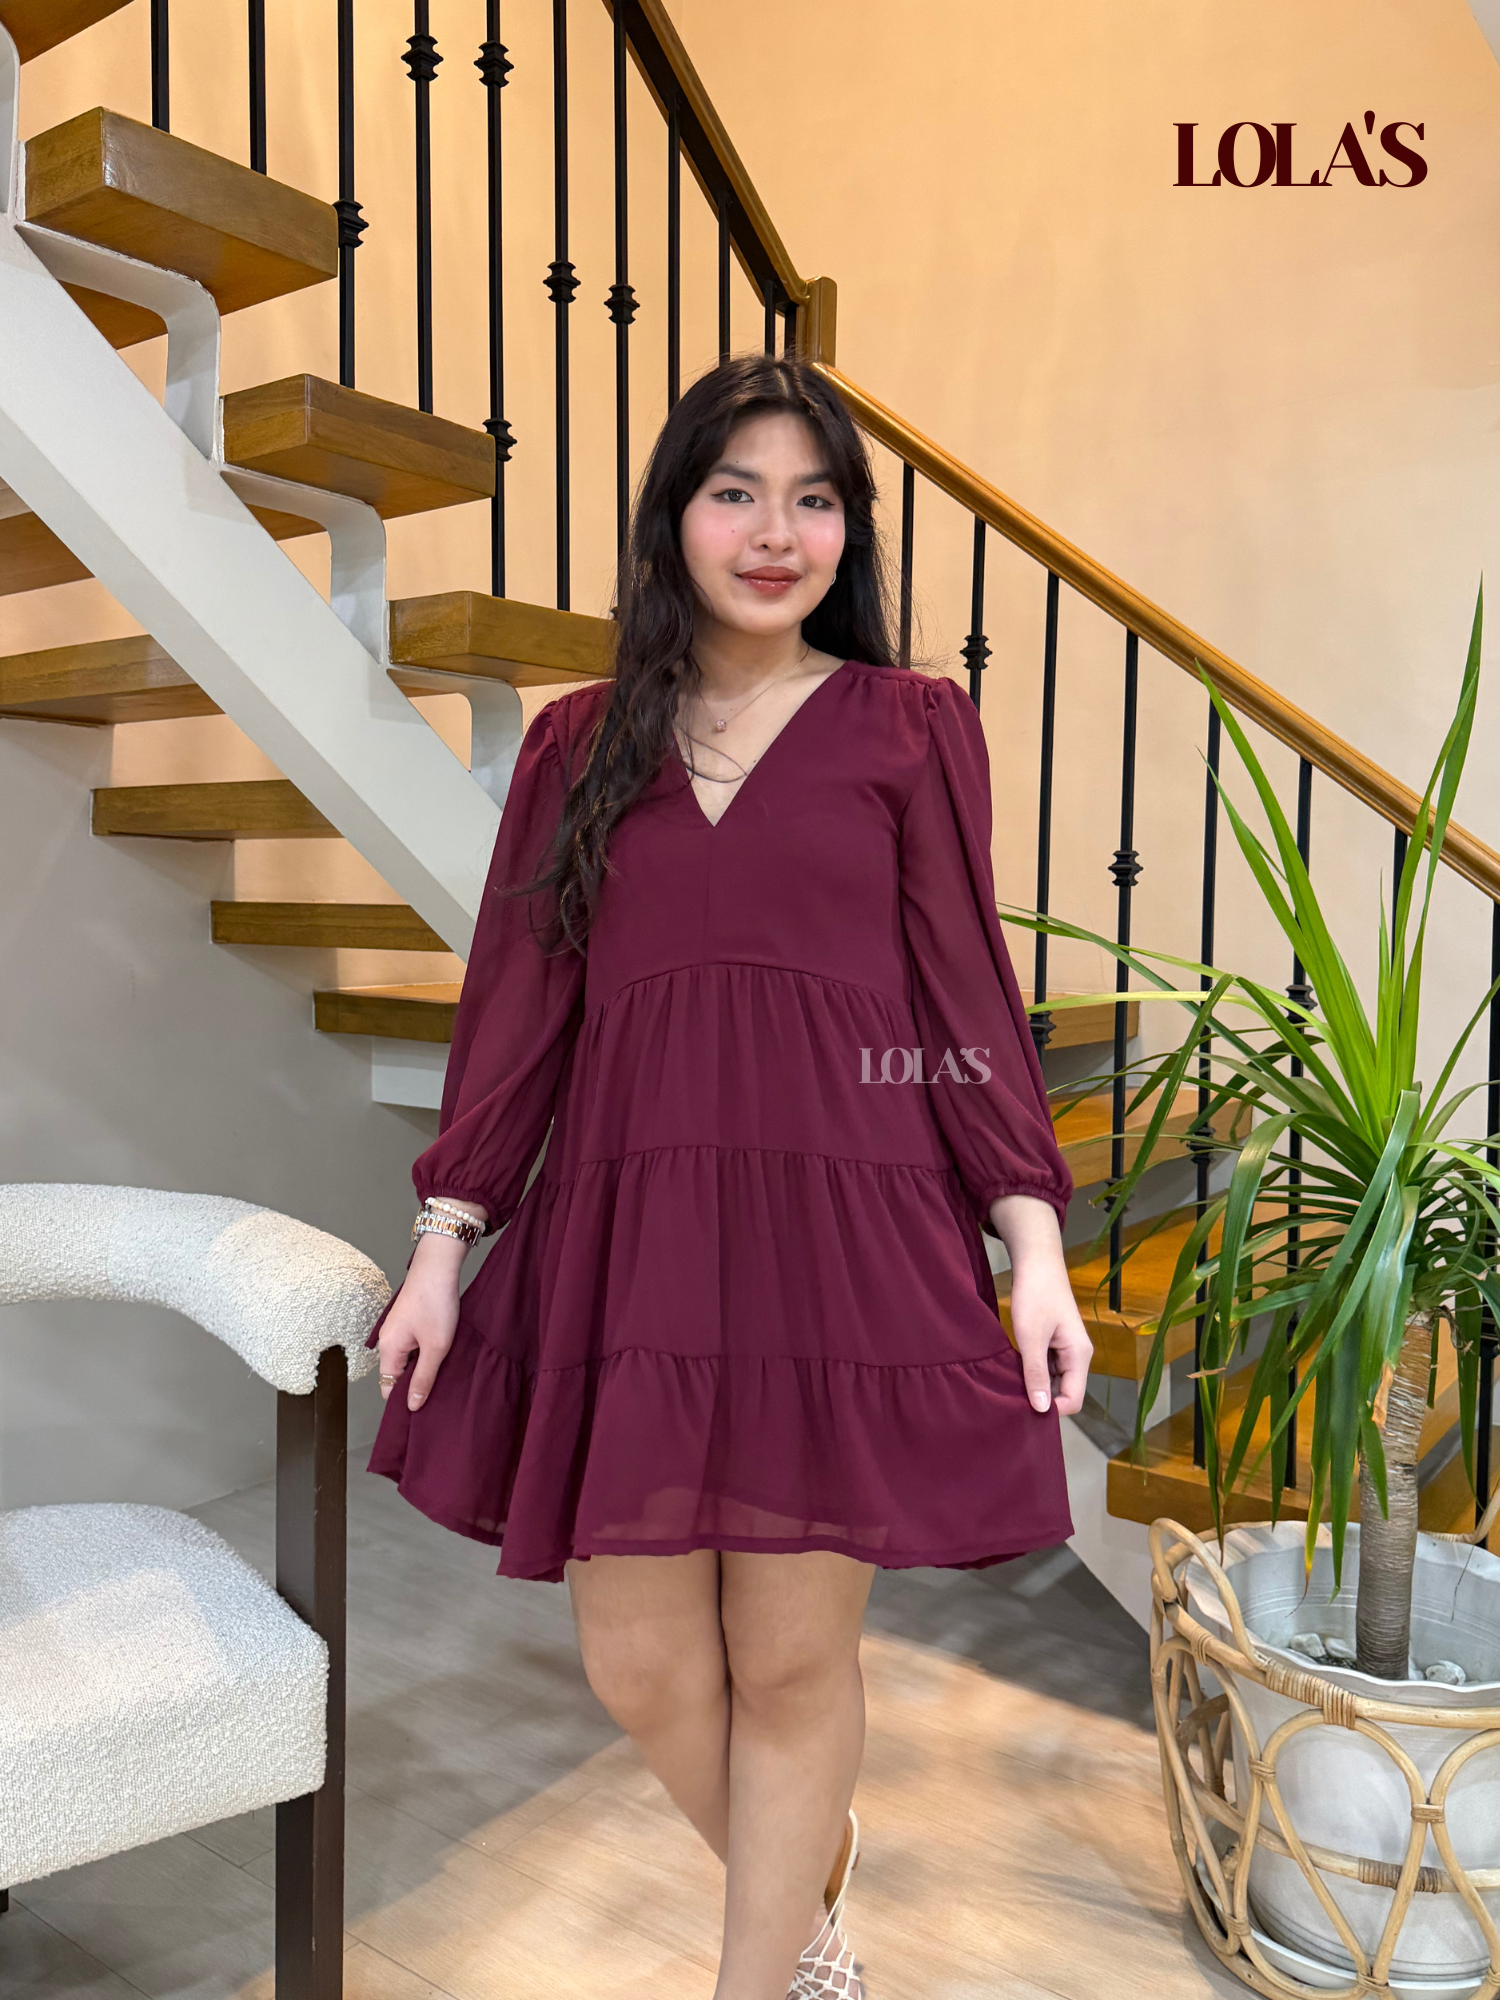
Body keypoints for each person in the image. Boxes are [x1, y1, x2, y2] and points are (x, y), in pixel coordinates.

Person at [367, 354, 1093, 2000]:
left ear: (851, 530)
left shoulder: (912, 726)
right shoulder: (577, 743)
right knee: (635, 1661)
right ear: (674, 517)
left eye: (814, 500)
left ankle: (762, 1976)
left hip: (841, 1232)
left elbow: (965, 1004)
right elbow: (519, 1010)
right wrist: (444, 1239)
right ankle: (809, 1879)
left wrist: (1032, 1242)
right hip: (633, 1234)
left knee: (788, 1656)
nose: (777, 534)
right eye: (737, 492)